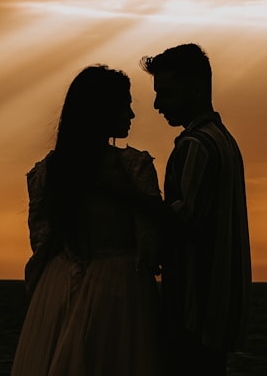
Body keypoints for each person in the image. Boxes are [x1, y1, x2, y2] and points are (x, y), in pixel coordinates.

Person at [10, 65, 164, 376]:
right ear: (103, 110)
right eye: (126, 105)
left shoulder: (48, 172)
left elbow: (41, 240)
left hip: (59, 282)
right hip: (120, 286)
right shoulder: (133, 167)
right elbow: (153, 245)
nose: (132, 114)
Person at [141, 43, 252, 376]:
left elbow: (182, 221)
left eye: (166, 93)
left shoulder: (195, 146)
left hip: (193, 309)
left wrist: (132, 199)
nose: (158, 104)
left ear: (196, 87)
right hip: (221, 307)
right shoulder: (225, 141)